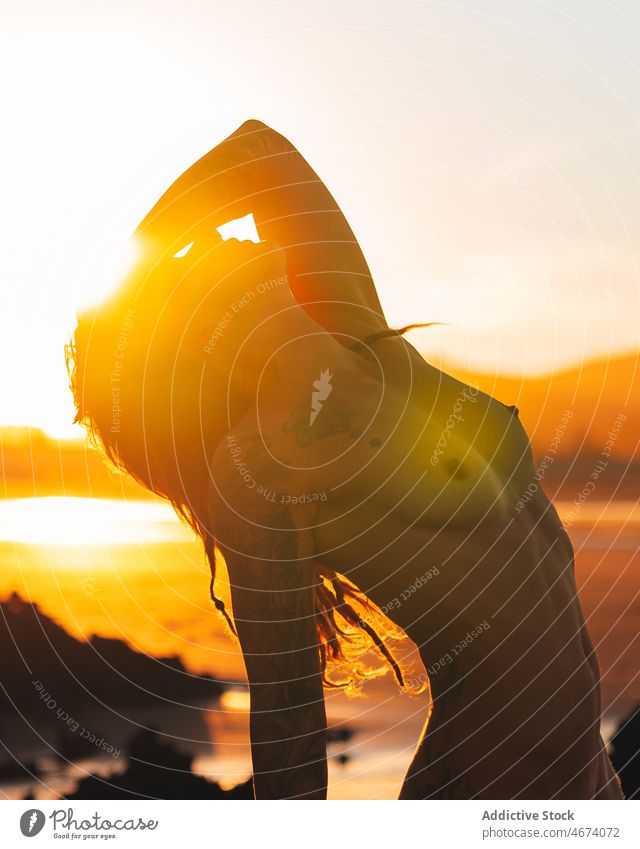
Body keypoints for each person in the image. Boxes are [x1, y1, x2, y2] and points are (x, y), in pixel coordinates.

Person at [67, 120, 623, 799]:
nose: (212, 234)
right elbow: (290, 743)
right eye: (189, 265)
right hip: (490, 789)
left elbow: (259, 152)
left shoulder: (351, 326)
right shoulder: (255, 480)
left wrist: (141, 256)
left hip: (592, 781)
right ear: (184, 342)